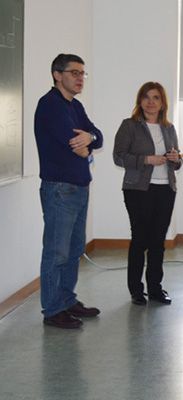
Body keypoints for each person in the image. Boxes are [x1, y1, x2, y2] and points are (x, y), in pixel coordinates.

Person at [34, 53, 103, 329]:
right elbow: (74, 141)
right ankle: (52, 310)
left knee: (74, 249)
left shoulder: (76, 106)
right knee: (56, 251)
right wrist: (85, 139)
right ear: (56, 74)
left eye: (82, 73)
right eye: (74, 72)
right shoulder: (50, 105)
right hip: (60, 190)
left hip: (79, 187)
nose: (79, 78)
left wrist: (91, 138)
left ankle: (66, 299)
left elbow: (96, 135)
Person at [113, 82, 182, 306]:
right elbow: (119, 157)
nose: (150, 102)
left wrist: (175, 159)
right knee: (140, 239)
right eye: (146, 97)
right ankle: (136, 290)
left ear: (163, 103)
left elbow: (178, 160)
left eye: (156, 98)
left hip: (165, 188)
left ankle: (155, 289)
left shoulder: (169, 128)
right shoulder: (130, 126)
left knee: (158, 241)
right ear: (139, 101)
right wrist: (147, 160)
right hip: (138, 190)